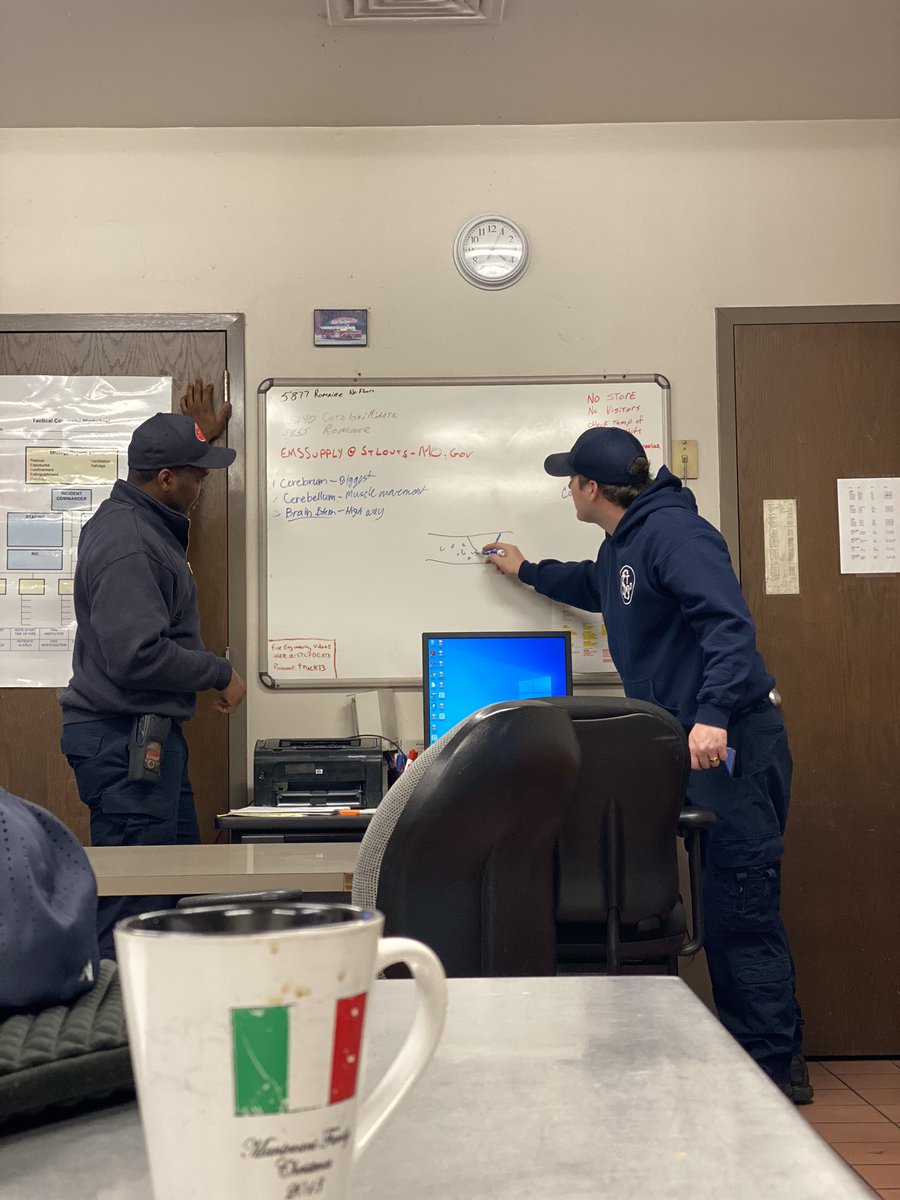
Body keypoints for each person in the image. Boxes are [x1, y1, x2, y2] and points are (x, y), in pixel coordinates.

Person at [482, 425, 812, 1104]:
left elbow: (729, 627)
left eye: (569, 479)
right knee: (726, 912)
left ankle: (772, 1081)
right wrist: (526, 570)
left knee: (740, 915)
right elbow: (597, 586)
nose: (568, 489)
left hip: (733, 745)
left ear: (591, 488)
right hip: (700, 747)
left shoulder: (675, 536)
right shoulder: (626, 544)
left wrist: (714, 713)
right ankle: (773, 1067)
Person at [59, 405, 246, 957]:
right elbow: (136, 656)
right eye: (197, 471)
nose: (203, 480)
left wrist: (194, 440)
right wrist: (219, 672)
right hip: (123, 746)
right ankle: (112, 1037)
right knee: (134, 914)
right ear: (165, 479)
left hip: (144, 741)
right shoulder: (132, 543)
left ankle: (158, 1033)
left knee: (166, 902)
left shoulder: (142, 524)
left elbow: (134, 647)